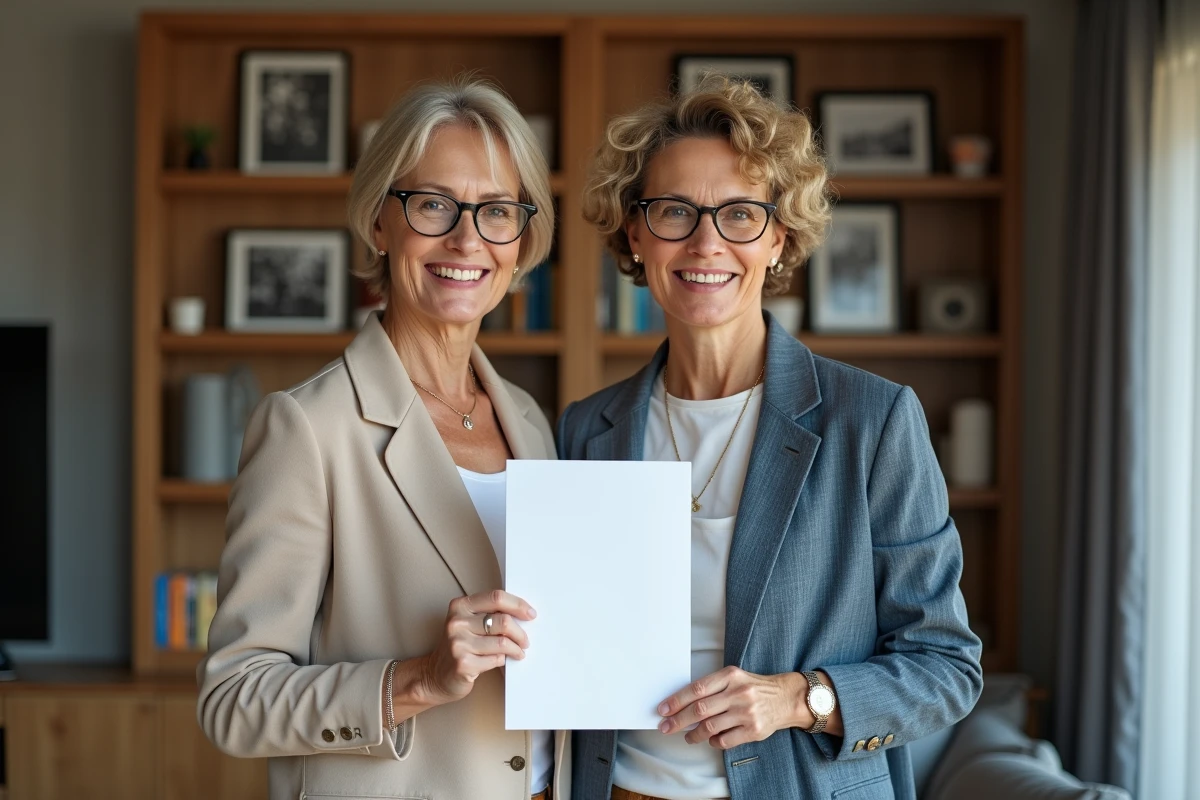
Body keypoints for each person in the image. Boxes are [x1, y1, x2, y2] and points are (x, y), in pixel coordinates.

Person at [559, 76, 982, 800]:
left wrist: (799, 698)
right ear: (634, 232)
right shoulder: (584, 428)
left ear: (779, 235)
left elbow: (946, 667)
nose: (705, 242)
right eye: (673, 212)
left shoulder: (873, 421)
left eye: (740, 214)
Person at [197, 76, 570, 800]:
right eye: (434, 205)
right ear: (379, 222)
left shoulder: (527, 417)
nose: (468, 239)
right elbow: (233, 702)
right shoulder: (306, 427)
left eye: (496, 210)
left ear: (522, 240)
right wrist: (416, 682)